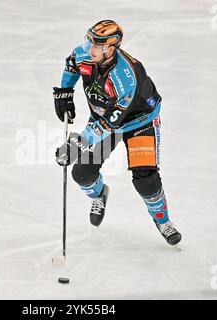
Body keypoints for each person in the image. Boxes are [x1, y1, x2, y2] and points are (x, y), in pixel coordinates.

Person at [53, 20, 181, 246]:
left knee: (146, 178)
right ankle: (99, 195)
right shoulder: (85, 53)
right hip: (104, 118)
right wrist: (64, 91)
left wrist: (77, 143)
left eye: (96, 46)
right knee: (82, 174)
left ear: (111, 48)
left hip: (138, 122)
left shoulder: (126, 78)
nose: (89, 49)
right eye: (89, 41)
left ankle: (163, 222)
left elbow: (110, 123)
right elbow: (72, 64)